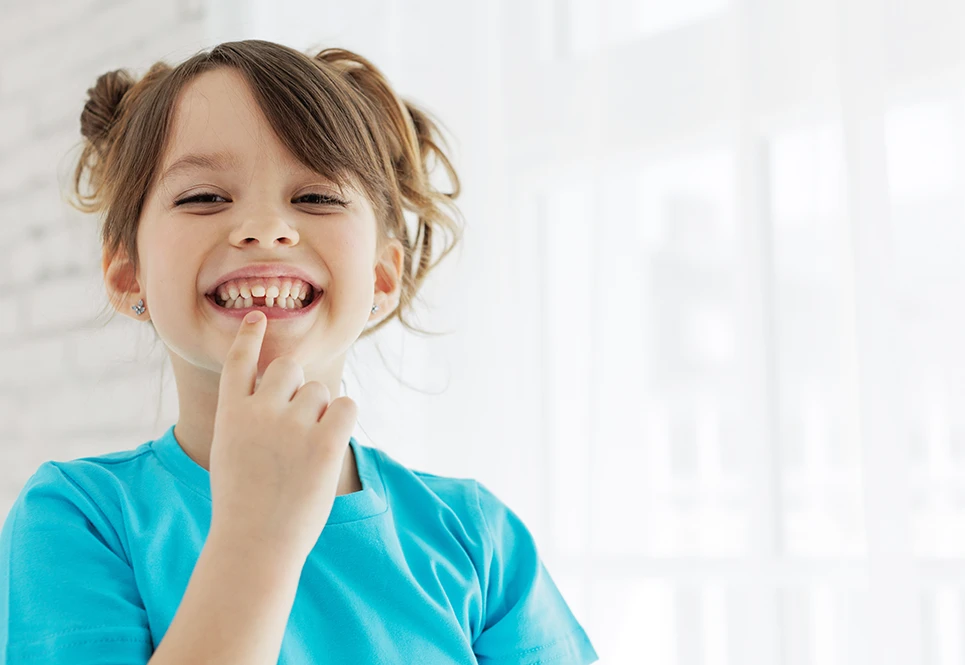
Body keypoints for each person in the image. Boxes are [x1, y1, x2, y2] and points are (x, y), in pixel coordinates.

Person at [0, 39, 599, 665]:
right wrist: (257, 535)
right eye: (203, 197)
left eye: (317, 197)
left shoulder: (477, 538)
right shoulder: (77, 521)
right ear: (129, 275)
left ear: (383, 278)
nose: (265, 227)